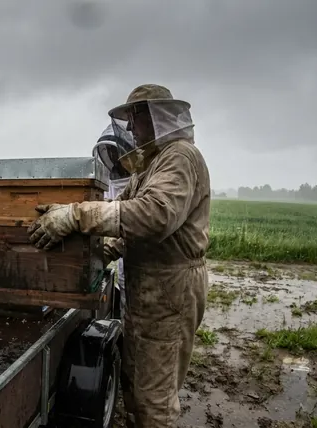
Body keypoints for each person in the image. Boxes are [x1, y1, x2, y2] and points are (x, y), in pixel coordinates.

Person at [27, 84, 211, 427]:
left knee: (154, 397)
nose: (131, 128)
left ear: (156, 118)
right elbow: (122, 216)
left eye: (135, 119)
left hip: (170, 290)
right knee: (136, 377)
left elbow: (155, 216)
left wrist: (74, 216)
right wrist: (98, 252)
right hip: (149, 288)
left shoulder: (180, 157)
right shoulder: (149, 167)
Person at [92, 124, 134, 319]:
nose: (113, 157)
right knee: (127, 313)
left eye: (116, 152)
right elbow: (107, 211)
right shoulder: (111, 181)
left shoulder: (146, 180)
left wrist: (110, 249)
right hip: (127, 267)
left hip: (155, 274)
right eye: (109, 152)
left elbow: (140, 222)